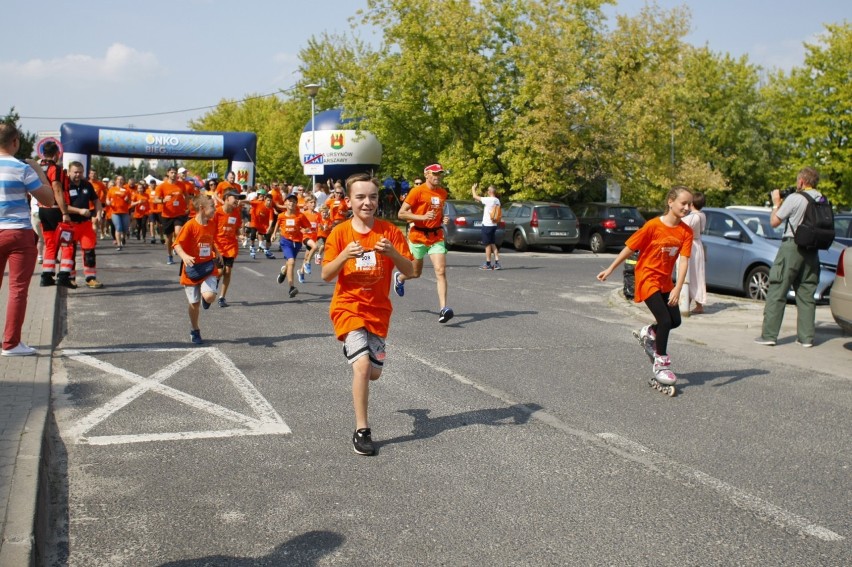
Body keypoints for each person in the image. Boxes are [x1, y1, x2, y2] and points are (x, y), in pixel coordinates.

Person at [321, 173, 414, 455]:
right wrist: (344, 256)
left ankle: (361, 353)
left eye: (372, 196)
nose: (367, 202)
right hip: (348, 308)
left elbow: (410, 271)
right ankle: (362, 430)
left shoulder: (390, 232)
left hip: (378, 311)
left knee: (373, 374)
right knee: (361, 367)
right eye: (360, 197)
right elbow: (326, 274)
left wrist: (394, 255)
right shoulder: (340, 233)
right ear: (348, 201)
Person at [597, 186, 693, 386]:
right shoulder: (652, 226)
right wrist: (610, 269)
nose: (687, 207)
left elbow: (683, 261)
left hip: (665, 280)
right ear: (670, 202)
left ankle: (648, 332)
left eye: (689, 204)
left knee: (675, 321)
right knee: (665, 321)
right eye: (683, 203)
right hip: (647, 277)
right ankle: (661, 364)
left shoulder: (686, 232)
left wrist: (678, 287)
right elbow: (630, 247)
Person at [0, 123, 56, 356]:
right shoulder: (21, 168)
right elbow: (48, 199)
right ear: (15, 142)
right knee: (17, 289)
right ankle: (11, 344)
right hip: (17, 233)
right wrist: (39, 171)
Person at [755, 167, 825, 348]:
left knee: (778, 288)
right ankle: (806, 338)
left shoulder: (795, 198)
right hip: (812, 250)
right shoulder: (821, 198)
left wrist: (776, 202)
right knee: (807, 293)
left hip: (792, 246)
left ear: (801, 181)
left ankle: (769, 335)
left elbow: (774, 221)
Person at [394, 163, 454, 323]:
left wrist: (442, 219)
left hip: (436, 236)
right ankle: (400, 278)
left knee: (440, 271)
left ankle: (443, 309)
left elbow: (438, 213)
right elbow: (401, 214)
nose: (437, 176)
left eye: (439, 174)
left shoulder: (442, 192)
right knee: (415, 273)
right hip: (418, 236)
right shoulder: (417, 191)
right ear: (426, 174)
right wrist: (422, 217)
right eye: (434, 173)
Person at [173, 194, 220, 345]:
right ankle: (195, 329)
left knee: (209, 297)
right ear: (202, 208)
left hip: (207, 266)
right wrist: (185, 256)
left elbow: (211, 241)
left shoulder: (212, 224)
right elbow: (177, 244)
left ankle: (207, 296)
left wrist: (217, 252)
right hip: (191, 269)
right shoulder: (190, 225)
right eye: (212, 206)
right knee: (194, 304)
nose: (215, 209)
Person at [56, 161, 104, 289]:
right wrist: (79, 211)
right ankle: (70, 278)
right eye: (75, 172)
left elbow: (96, 200)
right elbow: (63, 205)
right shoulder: (65, 185)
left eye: (81, 172)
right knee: (69, 253)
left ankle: (90, 278)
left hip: (85, 225)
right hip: (69, 224)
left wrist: (99, 213)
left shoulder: (87, 185)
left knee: (89, 251)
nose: (78, 175)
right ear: (69, 171)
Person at [37, 140, 66, 287]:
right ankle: (65, 276)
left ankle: (46, 275)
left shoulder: (37, 166)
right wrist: (65, 212)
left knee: (49, 243)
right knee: (66, 242)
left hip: (41, 208)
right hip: (54, 209)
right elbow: (57, 189)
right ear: (57, 154)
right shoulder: (55, 168)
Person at [273, 194, 312, 298]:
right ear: (285, 203)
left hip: (297, 242)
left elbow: (308, 227)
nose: (291, 203)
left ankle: (283, 272)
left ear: (296, 204)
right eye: (289, 201)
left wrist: (305, 230)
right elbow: (277, 224)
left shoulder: (300, 215)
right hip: (286, 241)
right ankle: (291, 287)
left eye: (294, 201)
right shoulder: (281, 216)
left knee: (290, 263)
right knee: (292, 262)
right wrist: (273, 234)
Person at [213, 190, 246, 307]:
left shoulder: (236, 213)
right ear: (227, 198)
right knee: (220, 271)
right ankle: (212, 286)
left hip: (231, 246)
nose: (237, 200)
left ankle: (222, 297)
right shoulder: (216, 212)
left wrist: (240, 235)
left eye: (239, 198)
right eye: (235, 198)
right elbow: (210, 230)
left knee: (227, 271)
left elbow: (236, 229)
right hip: (218, 246)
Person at [154, 166, 190, 265]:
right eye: (172, 173)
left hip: (179, 213)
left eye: (175, 173)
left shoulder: (181, 185)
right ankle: (169, 255)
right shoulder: (162, 186)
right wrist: (163, 200)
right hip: (167, 214)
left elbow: (186, 196)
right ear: (168, 173)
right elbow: (155, 200)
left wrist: (188, 207)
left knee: (178, 232)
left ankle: (178, 249)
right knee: (168, 237)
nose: (174, 175)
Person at [681, 191, 706, 314]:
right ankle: (693, 303)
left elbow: (680, 226)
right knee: (696, 275)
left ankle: (698, 304)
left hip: (692, 246)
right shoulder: (702, 215)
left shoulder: (692, 217)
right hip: (698, 245)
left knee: (691, 275)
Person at [471, 182, 502, 270]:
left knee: (487, 244)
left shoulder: (489, 199)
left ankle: (488, 264)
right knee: (492, 243)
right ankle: (497, 262)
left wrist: (473, 189)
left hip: (487, 225)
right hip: (494, 224)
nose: (487, 191)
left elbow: (475, 196)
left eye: (488, 190)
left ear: (490, 191)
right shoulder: (497, 200)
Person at [106, 175, 131, 250]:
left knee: (125, 228)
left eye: (121, 179)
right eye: (118, 179)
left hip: (124, 212)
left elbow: (130, 202)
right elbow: (107, 199)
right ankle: (119, 244)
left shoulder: (126, 190)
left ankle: (123, 237)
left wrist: (127, 200)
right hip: (115, 212)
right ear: (116, 181)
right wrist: (108, 202)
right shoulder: (112, 189)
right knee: (118, 227)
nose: (120, 181)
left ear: (123, 181)